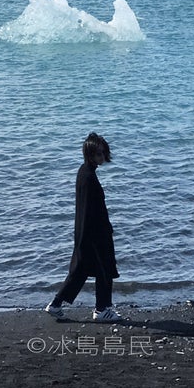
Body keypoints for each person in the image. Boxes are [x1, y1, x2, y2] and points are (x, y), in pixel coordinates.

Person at [46, 132, 122, 322]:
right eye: (98, 154)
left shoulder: (84, 172)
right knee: (105, 269)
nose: (102, 158)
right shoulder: (88, 177)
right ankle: (102, 309)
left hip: (85, 232)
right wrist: (103, 231)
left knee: (80, 271)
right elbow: (91, 210)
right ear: (89, 154)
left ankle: (56, 304)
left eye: (103, 153)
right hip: (94, 233)